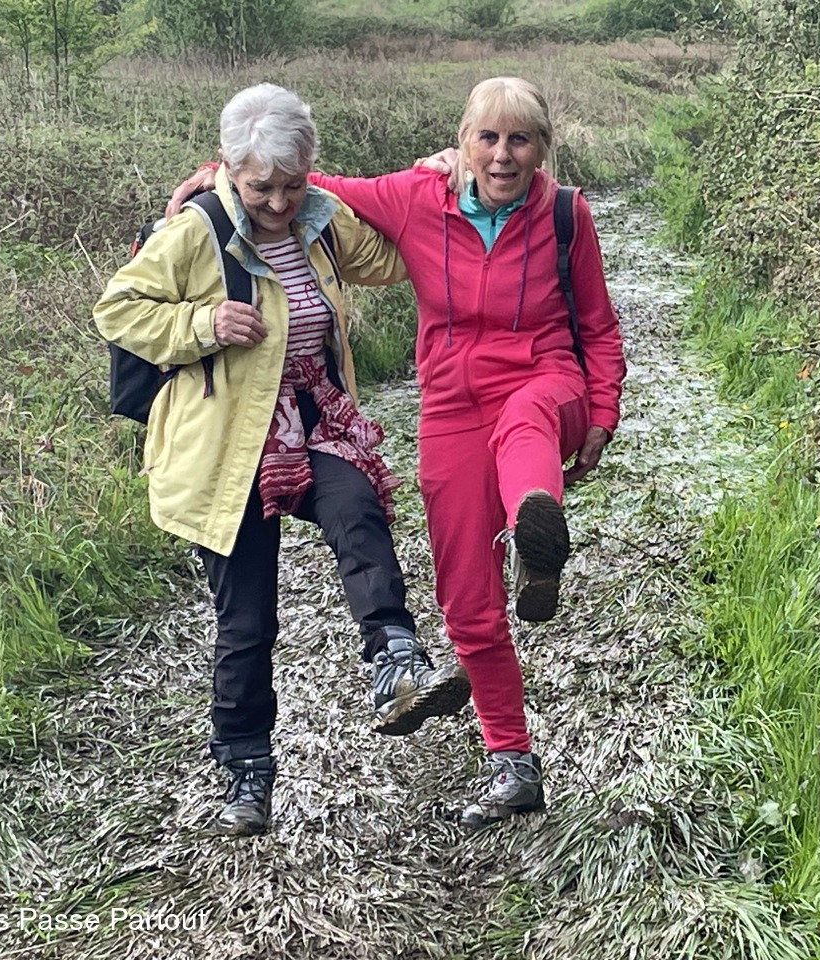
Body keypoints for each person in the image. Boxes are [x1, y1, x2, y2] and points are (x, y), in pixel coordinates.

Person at [169, 77, 626, 827]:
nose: (503, 155)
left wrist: (602, 414)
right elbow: (310, 180)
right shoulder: (418, 198)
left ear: (544, 148)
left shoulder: (565, 215)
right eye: (488, 137)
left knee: (526, 423)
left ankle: (534, 530)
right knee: (466, 601)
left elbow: (600, 328)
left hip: (545, 383)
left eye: (520, 139)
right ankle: (513, 764)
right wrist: (217, 176)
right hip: (450, 408)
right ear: (462, 142)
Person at [94, 83, 471, 838]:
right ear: (229, 168)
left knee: (358, 513)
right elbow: (119, 308)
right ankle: (246, 771)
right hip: (225, 444)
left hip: (316, 418)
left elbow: (393, 258)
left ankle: (395, 662)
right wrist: (204, 322)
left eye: (292, 185)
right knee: (248, 620)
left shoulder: (321, 221)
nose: (276, 202)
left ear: (310, 172)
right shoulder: (197, 230)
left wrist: (435, 182)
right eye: (260, 186)